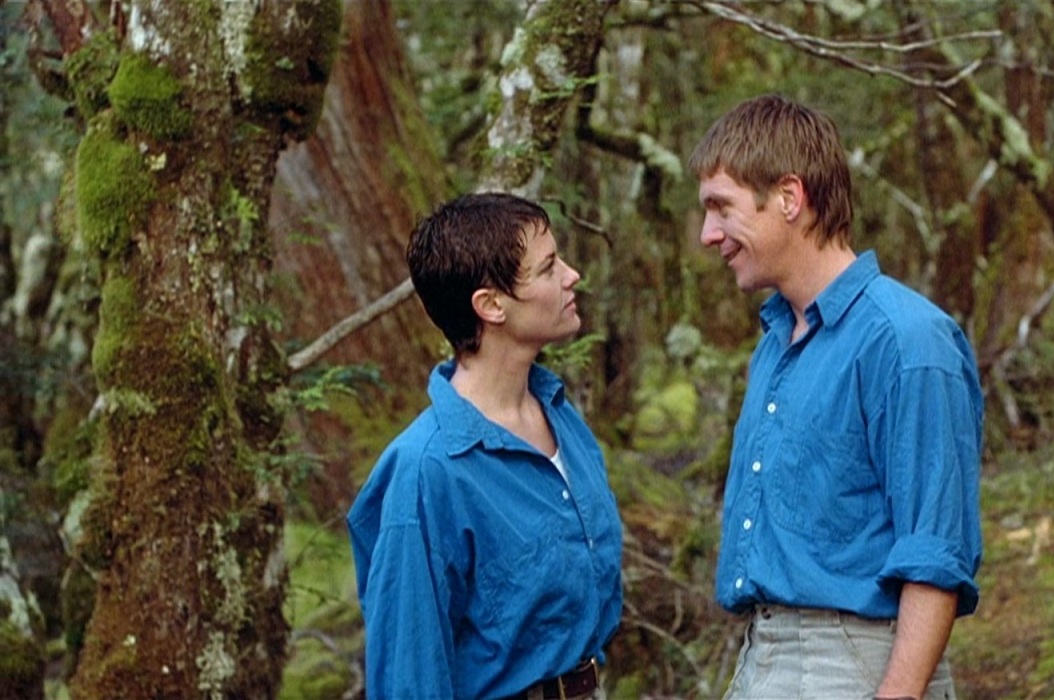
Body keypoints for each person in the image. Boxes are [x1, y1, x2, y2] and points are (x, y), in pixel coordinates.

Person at [690, 94, 984, 700]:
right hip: (761, 659)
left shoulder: (907, 341)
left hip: (856, 667)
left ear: (790, 198)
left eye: (721, 208)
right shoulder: (775, 343)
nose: (707, 234)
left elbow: (935, 551)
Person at [347, 192, 623, 700]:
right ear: (491, 305)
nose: (571, 274)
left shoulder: (562, 418)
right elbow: (409, 674)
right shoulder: (427, 470)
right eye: (547, 269)